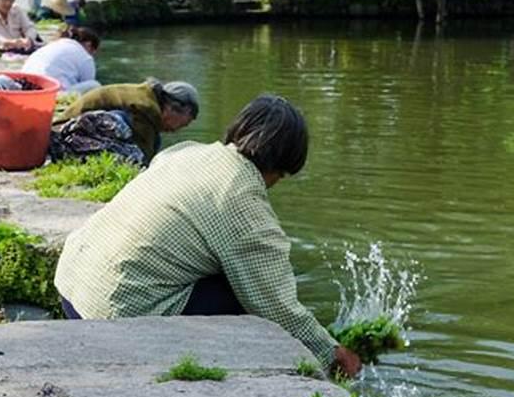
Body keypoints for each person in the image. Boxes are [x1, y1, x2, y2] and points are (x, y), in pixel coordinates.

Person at [54, 95, 363, 378]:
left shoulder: (186, 152)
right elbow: (277, 305)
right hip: (119, 318)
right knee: (247, 301)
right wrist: (332, 353)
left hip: (73, 289)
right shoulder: (243, 203)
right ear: (281, 166)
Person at [53, 79, 199, 164]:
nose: (177, 129)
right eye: (183, 123)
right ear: (173, 108)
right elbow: (144, 156)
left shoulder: (147, 100)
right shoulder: (146, 108)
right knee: (123, 128)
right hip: (63, 132)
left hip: (73, 130)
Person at [22, 26, 101, 94]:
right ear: (89, 45)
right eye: (93, 53)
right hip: (52, 92)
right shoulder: (85, 57)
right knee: (95, 85)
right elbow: (89, 85)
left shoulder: (52, 45)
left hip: (25, 87)